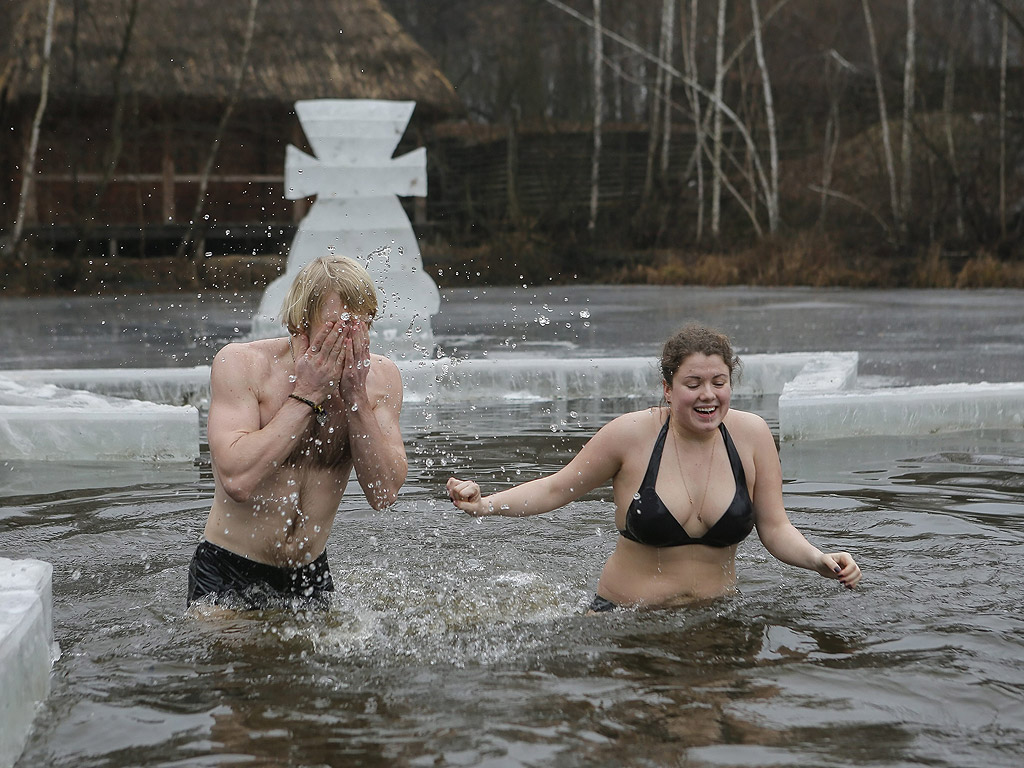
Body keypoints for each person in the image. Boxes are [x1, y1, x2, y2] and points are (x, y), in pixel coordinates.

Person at [446, 324, 861, 612]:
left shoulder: (752, 436)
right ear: (667, 388)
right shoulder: (630, 435)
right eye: (693, 383)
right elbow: (557, 490)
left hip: (716, 621)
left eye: (719, 382)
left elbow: (775, 527)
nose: (708, 396)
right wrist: (486, 505)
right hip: (628, 621)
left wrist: (818, 558)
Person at [187, 254, 408, 610]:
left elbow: (384, 493)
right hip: (228, 568)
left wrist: (356, 399)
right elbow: (237, 479)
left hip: (310, 575)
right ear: (302, 323)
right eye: (336, 326)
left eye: (360, 326)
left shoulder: (381, 380)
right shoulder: (243, 365)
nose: (348, 339)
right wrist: (306, 395)